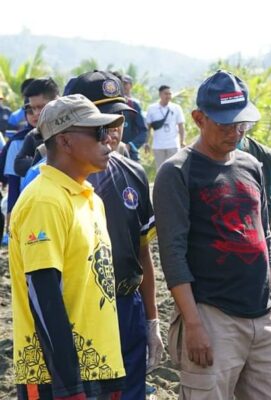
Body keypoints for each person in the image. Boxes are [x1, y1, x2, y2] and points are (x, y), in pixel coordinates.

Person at [154, 70, 271, 400]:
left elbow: (265, 233)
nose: (235, 132)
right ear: (198, 118)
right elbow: (173, 254)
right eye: (224, 124)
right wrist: (193, 324)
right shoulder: (177, 172)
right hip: (212, 316)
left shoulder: (251, 165)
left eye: (241, 124)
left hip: (263, 314)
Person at [10, 94, 126, 399]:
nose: (109, 141)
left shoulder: (90, 199)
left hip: (98, 368)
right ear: (65, 141)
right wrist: (69, 386)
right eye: (98, 133)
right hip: (59, 379)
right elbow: (43, 294)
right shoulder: (44, 200)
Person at [64, 70, 164, 400]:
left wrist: (151, 320)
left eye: (118, 120)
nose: (111, 132)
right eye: (99, 121)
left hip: (126, 307)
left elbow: (142, 253)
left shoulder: (133, 173)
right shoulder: (53, 182)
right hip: (78, 312)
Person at [0, 78, 58, 244]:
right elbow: (14, 181)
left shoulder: (71, 134)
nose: (36, 114)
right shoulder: (22, 140)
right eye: (31, 109)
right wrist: (11, 217)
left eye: (41, 107)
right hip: (30, 208)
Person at [145, 84, 186, 170]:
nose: (168, 96)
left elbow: (181, 126)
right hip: (158, 146)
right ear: (160, 94)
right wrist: (147, 142)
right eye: (166, 93)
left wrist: (182, 141)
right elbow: (148, 128)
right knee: (160, 170)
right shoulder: (152, 108)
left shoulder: (176, 108)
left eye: (169, 94)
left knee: (175, 169)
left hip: (173, 145)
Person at [113, 72, 148, 161]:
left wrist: (130, 146)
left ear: (131, 85)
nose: (123, 86)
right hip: (111, 155)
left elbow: (143, 131)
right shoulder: (107, 105)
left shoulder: (133, 105)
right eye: (120, 83)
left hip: (130, 155)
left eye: (125, 83)